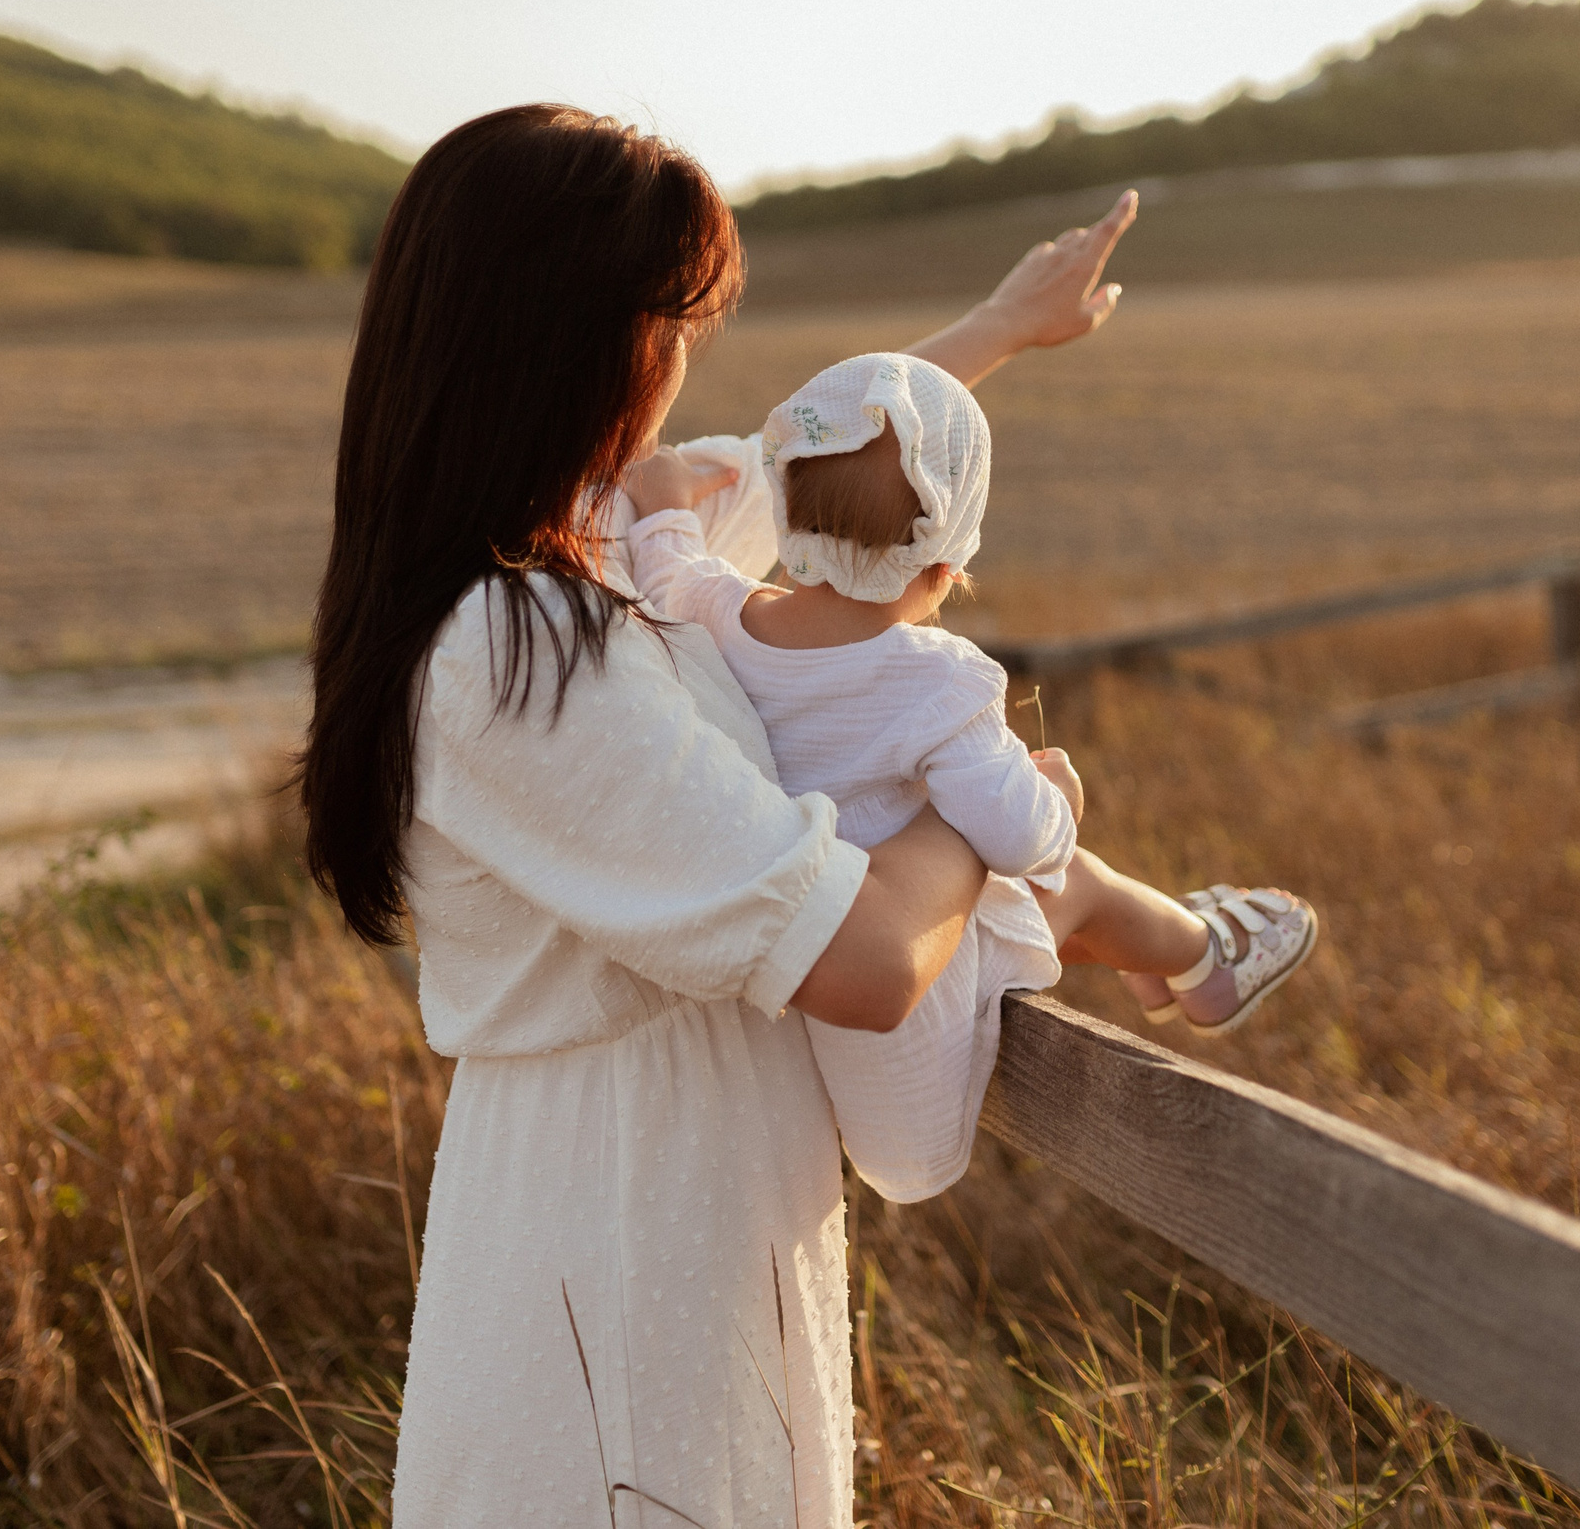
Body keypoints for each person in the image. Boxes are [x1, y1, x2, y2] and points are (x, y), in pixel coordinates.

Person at [297, 104, 1153, 1526]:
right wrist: (986, 801)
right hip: (621, 1217)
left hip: (695, 1198)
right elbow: (873, 962)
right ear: (572, 334)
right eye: (672, 319)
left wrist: (1001, 327)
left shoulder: (599, 541)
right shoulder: (515, 649)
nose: (684, 356)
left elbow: (813, 491)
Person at [619, 351, 1320, 1202]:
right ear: (945, 566)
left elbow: (668, 570)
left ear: (788, 511)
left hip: (801, 999)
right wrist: (1061, 801)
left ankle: (1170, 958)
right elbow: (1018, 838)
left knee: (1025, 905)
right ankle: (1203, 959)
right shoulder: (938, 681)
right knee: (1078, 878)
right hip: (914, 1031)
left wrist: (664, 501)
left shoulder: (723, 615)